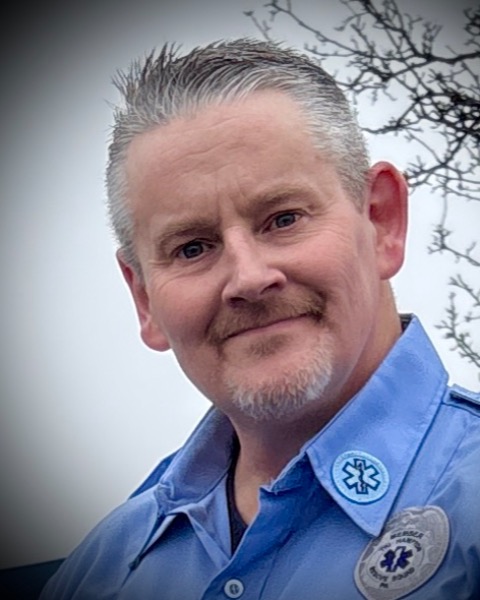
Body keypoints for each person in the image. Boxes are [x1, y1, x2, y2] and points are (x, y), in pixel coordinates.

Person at [41, 38, 480, 600]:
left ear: (381, 222)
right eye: (193, 248)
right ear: (144, 299)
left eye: (284, 219)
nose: (248, 278)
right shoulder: (101, 571)